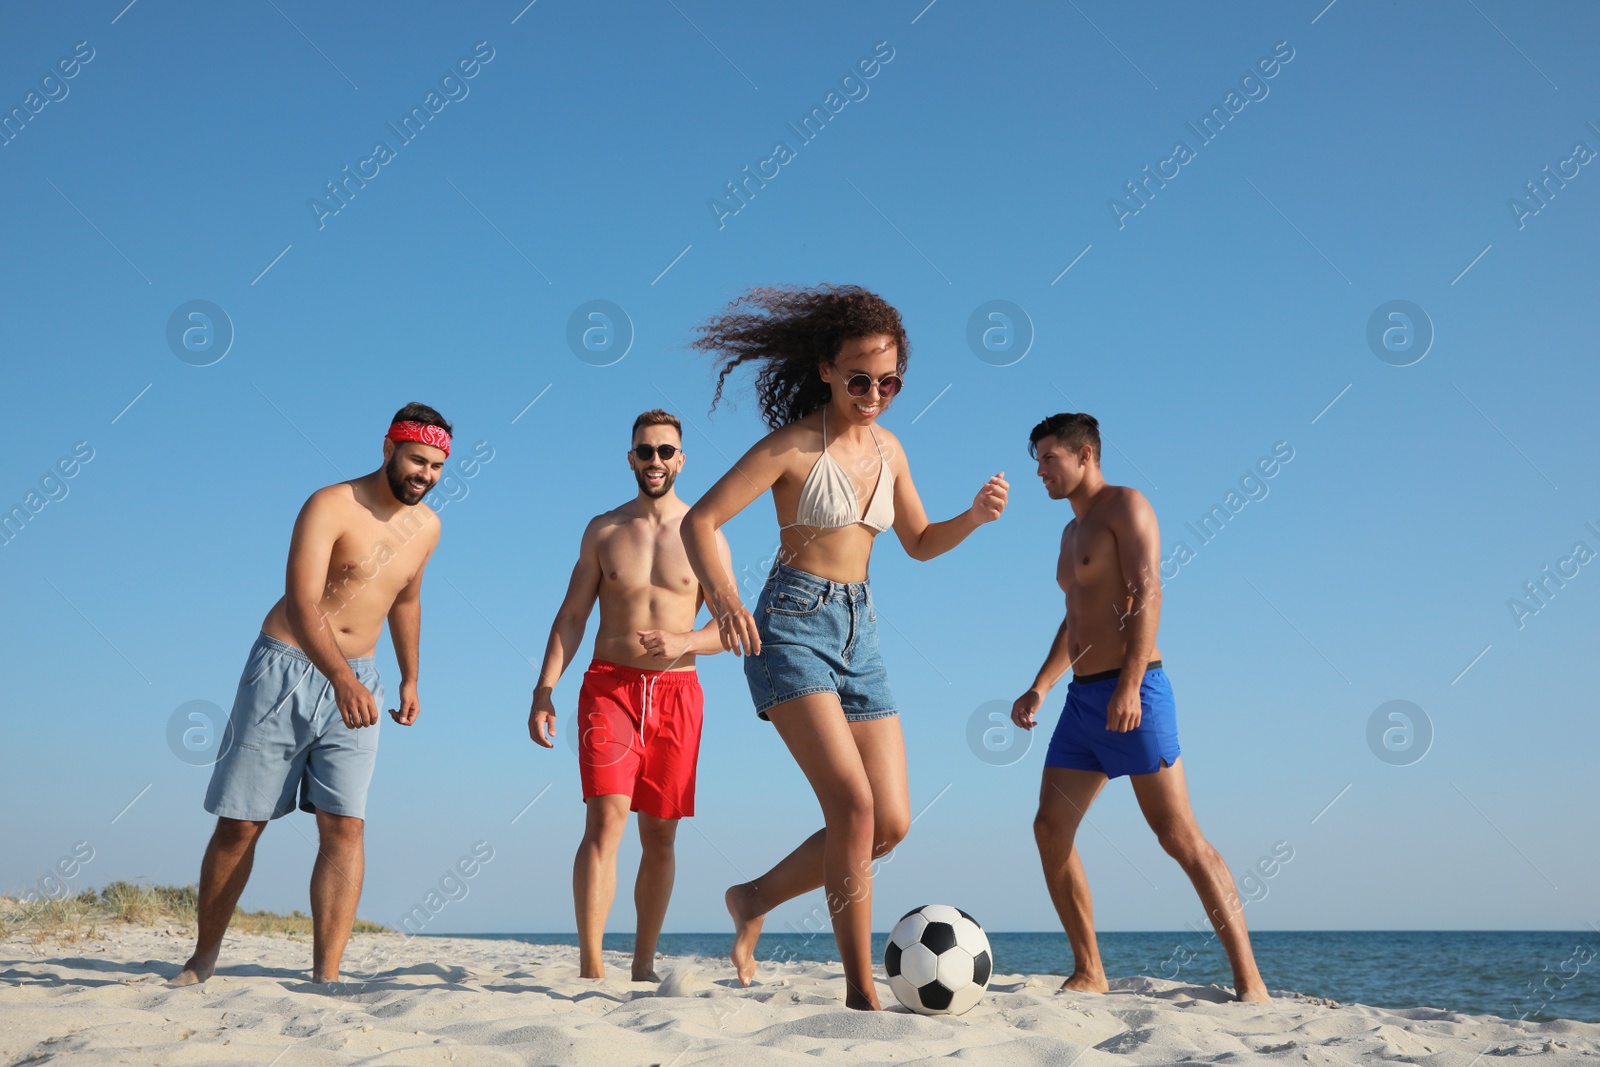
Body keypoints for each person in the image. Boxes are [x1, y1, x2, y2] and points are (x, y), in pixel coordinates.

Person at [680, 284, 1009, 1010]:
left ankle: (754, 897)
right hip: (791, 625)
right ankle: (862, 991)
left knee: (888, 821)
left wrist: (975, 519)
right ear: (826, 368)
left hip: (862, 632)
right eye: (859, 379)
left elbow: (919, 542)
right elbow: (699, 522)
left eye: (888, 381)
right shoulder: (792, 445)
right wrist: (727, 598)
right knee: (853, 807)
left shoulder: (891, 448)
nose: (874, 393)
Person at [170, 403, 449, 986]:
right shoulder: (330, 503)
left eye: (438, 465)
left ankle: (327, 974)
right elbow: (301, 600)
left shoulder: (427, 528)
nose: (426, 474)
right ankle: (202, 959)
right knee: (242, 824)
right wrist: (340, 678)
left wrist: (410, 676)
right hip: (287, 670)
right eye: (418, 459)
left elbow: (406, 600)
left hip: (363, 679)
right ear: (388, 448)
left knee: (345, 826)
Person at [1011, 412, 1269, 1002]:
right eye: (1038, 462)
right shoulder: (1070, 534)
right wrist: (1042, 685)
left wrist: (1128, 685)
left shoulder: (1127, 507)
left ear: (1086, 455)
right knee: (1050, 829)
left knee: (1179, 837)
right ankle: (1090, 969)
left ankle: (1250, 981)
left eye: (1050, 459)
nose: (1042, 472)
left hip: (1136, 692)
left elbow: (1149, 591)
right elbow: (1076, 615)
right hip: (1081, 702)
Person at [528, 410, 732, 982]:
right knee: (604, 818)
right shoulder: (604, 530)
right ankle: (592, 967)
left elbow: (732, 626)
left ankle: (642, 964)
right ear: (630, 459)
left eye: (666, 451)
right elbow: (572, 615)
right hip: (609, 688)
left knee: (660, 832)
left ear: (682, 460)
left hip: (677, 692)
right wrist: (545, 689)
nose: (656, 461)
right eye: (645, 451)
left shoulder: (707, 532)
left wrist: (683, 639)